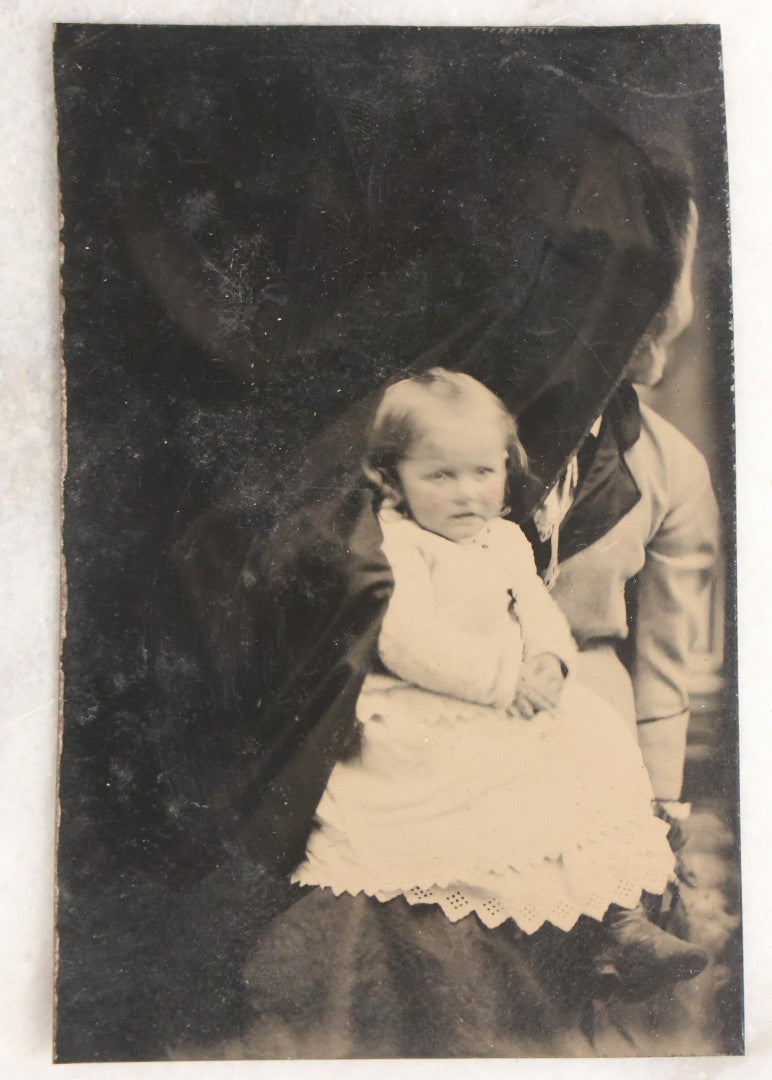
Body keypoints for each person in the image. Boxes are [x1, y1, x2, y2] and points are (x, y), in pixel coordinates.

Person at [235, 369, 706, 1057]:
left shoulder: (505, 540)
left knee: (598, 735)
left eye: (482, 473)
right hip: (424, 706)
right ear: (390, 479)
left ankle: (620, 917)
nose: (465, 494)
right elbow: (408, 643)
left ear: (507, 469)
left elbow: (541, 614)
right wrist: (499, 680)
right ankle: (543, 909)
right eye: (440, 476)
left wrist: (548, 663)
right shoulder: (401, 544)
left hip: (506, 689)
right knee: (493, 777)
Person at [526, 182, 719, 874]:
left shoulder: (672, 470)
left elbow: (664, 665)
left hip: (587, 705)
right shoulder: (470, 437)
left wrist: (662, 811)